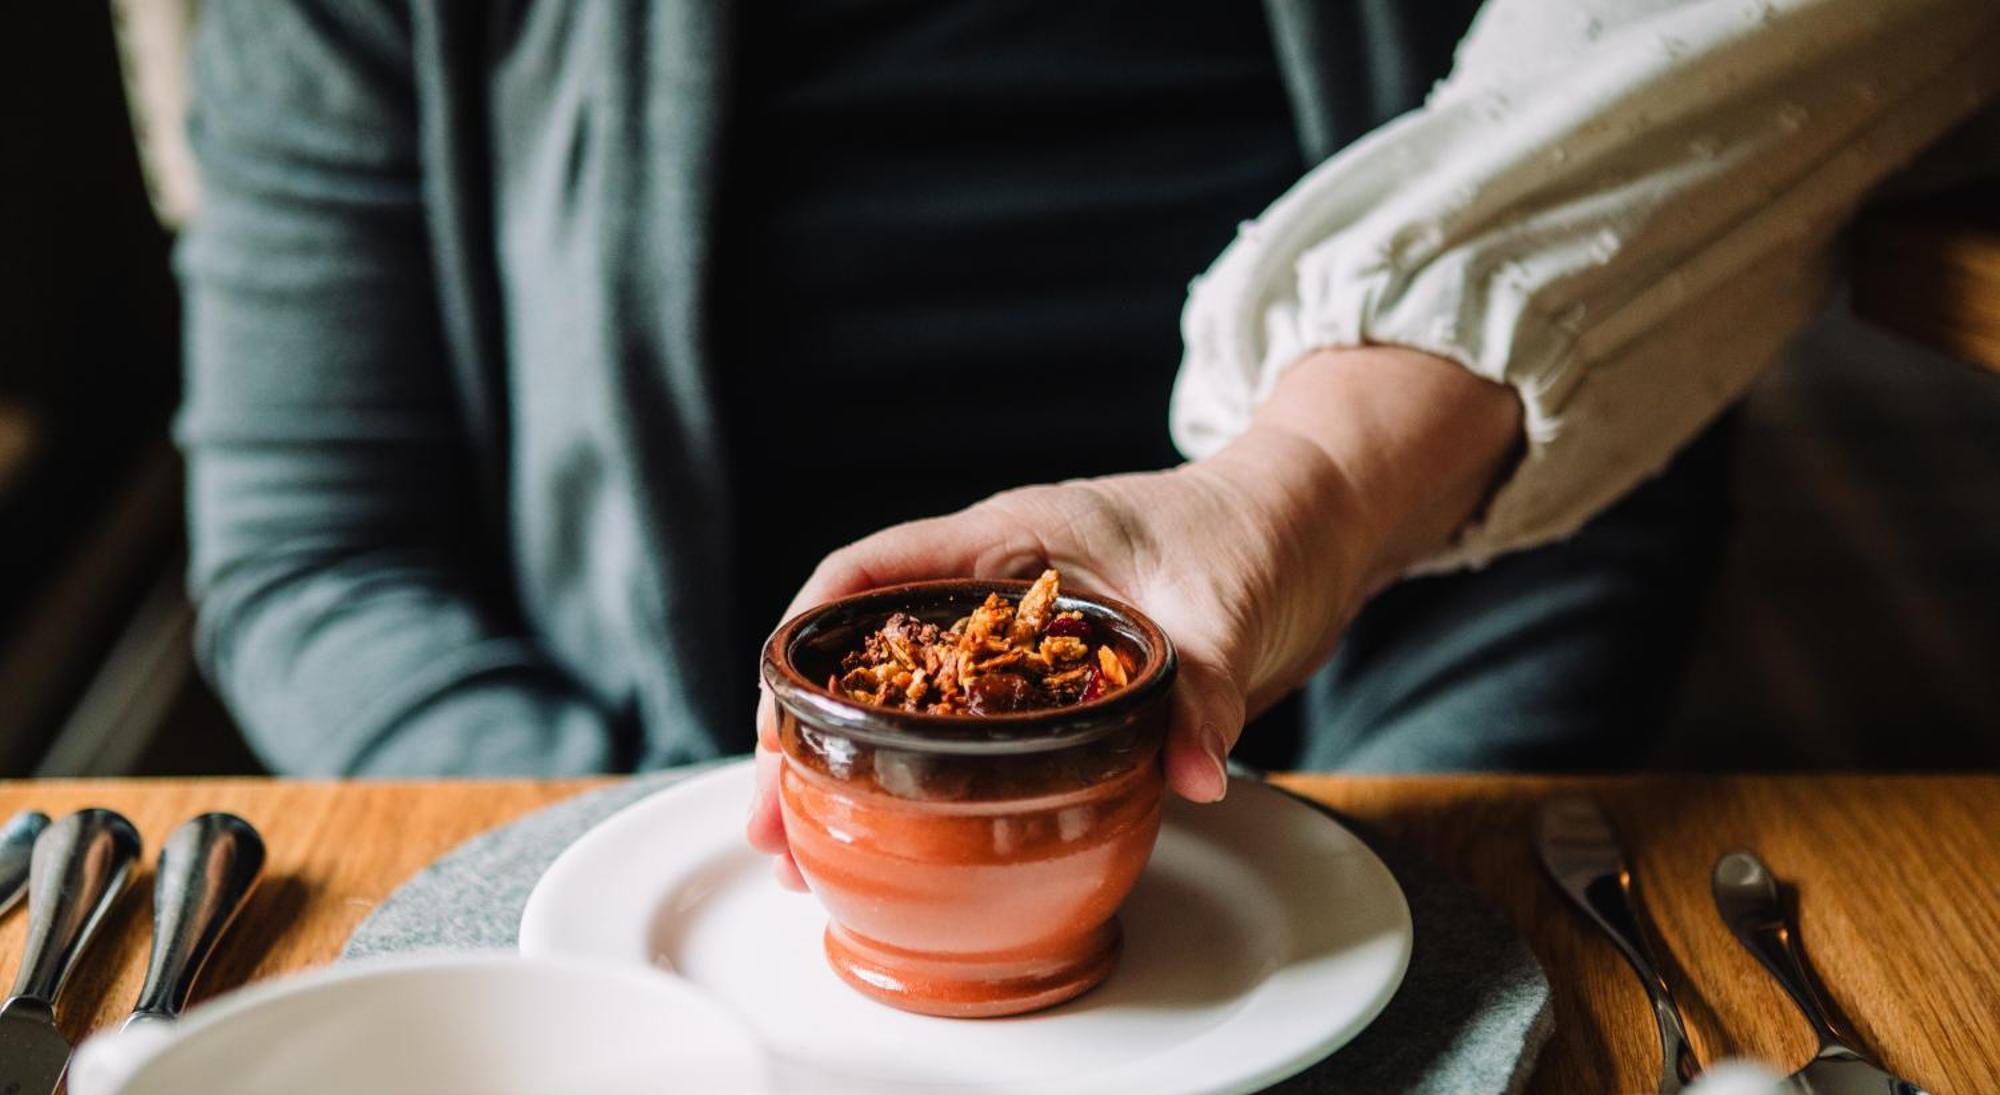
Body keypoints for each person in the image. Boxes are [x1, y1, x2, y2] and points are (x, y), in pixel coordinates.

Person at [177, 0, 1997, 857]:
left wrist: (1337, 861)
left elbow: (1596, 397)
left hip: (1340, 813)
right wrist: (675, 873)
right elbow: (315, 548)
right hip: (665, 822)